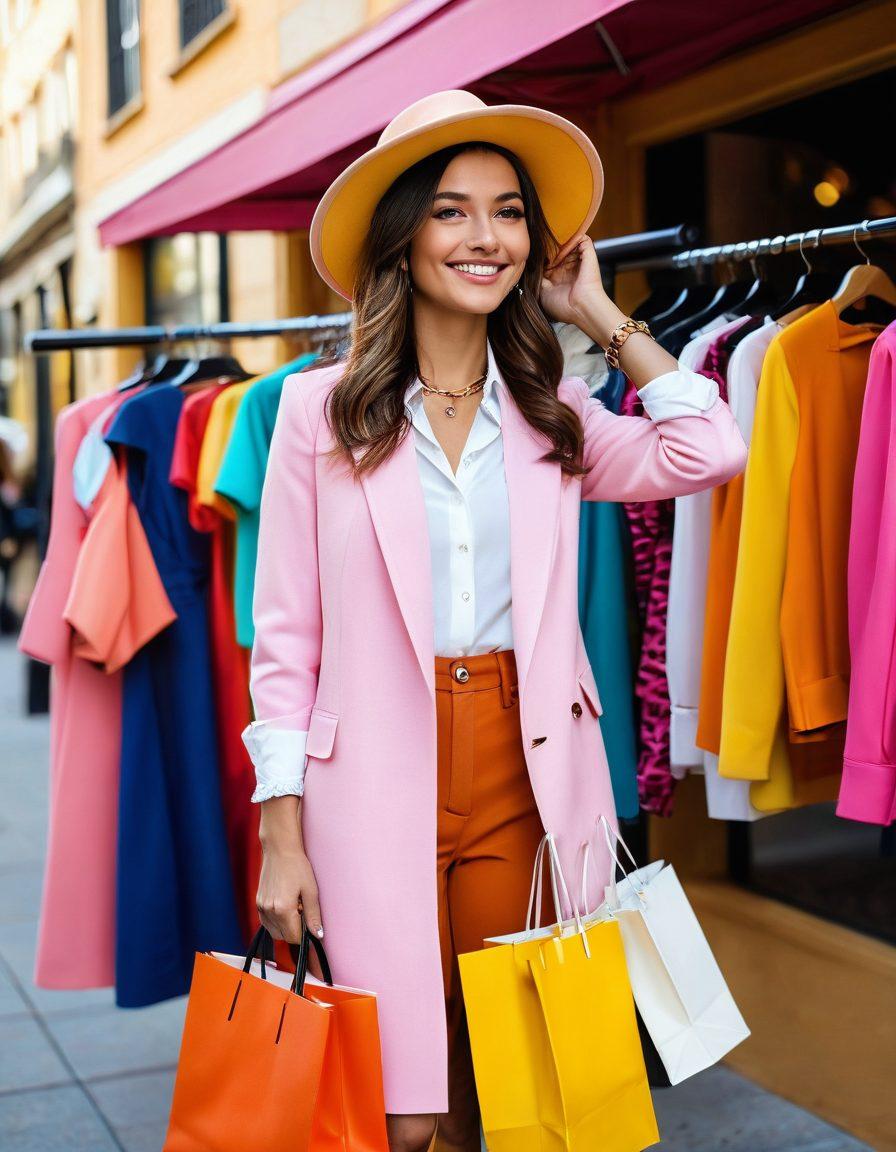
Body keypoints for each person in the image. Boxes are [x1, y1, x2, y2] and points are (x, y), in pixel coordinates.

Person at [241, 90, 748, 1152]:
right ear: (402, 234)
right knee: (402, 1112)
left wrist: (599, 317)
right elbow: (284, 642)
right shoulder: (315, 416)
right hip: (366, 780)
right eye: (452, 210)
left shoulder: (554, 413)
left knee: (523, 1089)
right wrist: (278, 833)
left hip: (521, 772)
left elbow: (709, 451)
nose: (486, 238)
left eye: (508, 211)